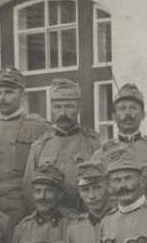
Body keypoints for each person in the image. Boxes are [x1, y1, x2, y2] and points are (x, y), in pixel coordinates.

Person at [0, 66, 51, 226]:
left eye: (8, 92)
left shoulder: (38, 126)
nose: (2, 99)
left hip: (24, 208)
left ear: (22, 95)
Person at [23, 78, 101, 213]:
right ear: (51, 109)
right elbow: (29, 189)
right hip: (49, 219)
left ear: (79, 108)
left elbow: (101, 186)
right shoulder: (40, 146)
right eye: (57, 107)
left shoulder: (92, 143)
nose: (62, 113)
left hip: (82, 217)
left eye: (69, 106)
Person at [90, 83, 147, 196]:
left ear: (143, 115)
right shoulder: (101, 155)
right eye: (122, 108)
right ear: (114, 116)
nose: (128, 113)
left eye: (133, 108)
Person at [11, 165, 69, 243]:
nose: (42, 197)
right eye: (37, 191)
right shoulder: (22, 228)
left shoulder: (70, 226)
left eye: (48, 191)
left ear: (60, 194)